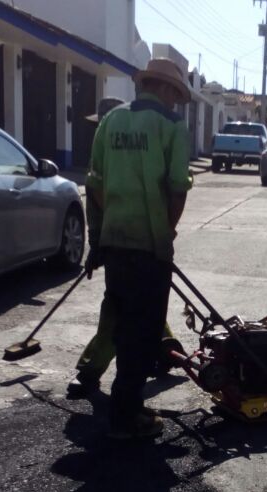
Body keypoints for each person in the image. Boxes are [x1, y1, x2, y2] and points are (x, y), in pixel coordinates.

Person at [85, 58, 193, 439]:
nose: (177, 104)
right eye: (176, 96)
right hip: (150, 248)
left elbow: (94, 185)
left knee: (123, 321)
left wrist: (96, 238)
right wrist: (166, 232)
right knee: (143, 333)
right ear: (165, 90)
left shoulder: (111, 121)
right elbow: (178, 188)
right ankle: (125, 415)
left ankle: (123, 404)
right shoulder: (170, 126)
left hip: (115, 241)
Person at [69, 96, 178, 399]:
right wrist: (96, 244)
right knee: (128, 307)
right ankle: (163, 345)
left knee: (124, 311)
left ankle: (92, 370)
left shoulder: (125, 150)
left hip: (141, 242)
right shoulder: (105, 157)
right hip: (119, 241)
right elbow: (95, 201)